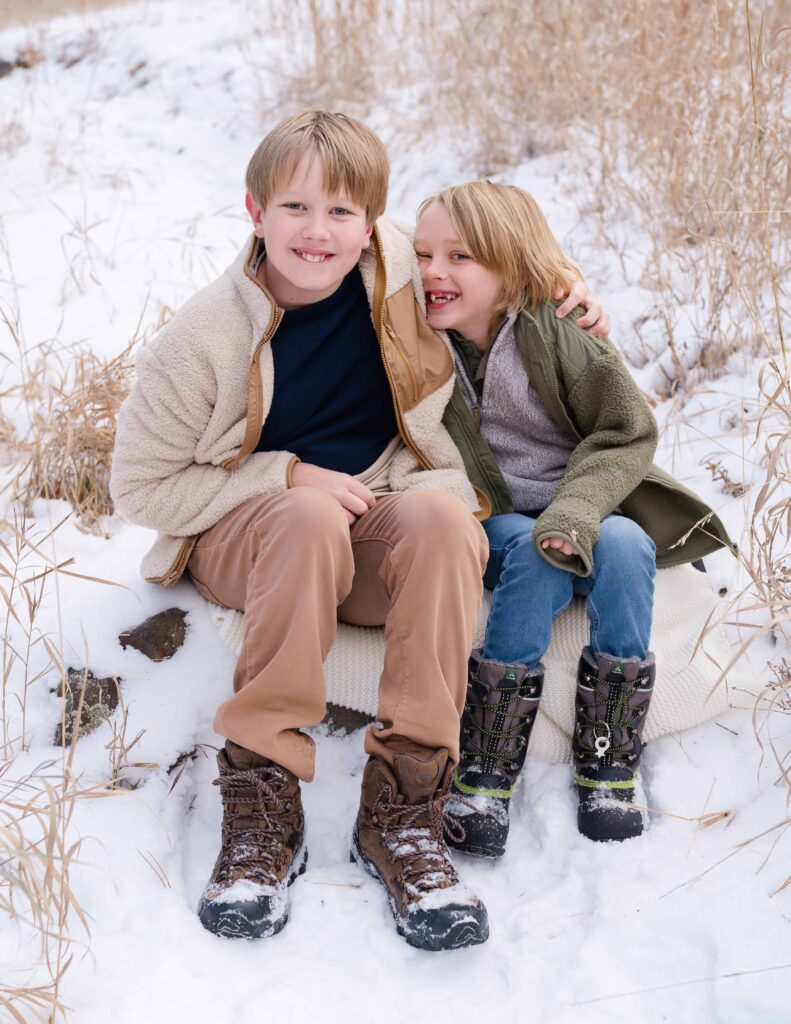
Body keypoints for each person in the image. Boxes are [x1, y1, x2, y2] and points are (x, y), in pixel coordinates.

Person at [110, 111, 608, 950]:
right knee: (306, 514)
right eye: (294, 208)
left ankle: (404, 811)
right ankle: (263, 810)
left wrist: (563, 285)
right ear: (253, 210)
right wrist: (286, 475)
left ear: (372, 221)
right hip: (251, 533)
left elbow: (494, 255)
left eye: (341, 212)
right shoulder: (203, 338)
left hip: (372, 514)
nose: (317, 232)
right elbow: (138, 486)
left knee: (445, 521)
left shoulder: (401, 265)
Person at [413, 181, 735, 853]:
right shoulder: (416, 343)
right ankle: (488, 766)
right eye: (422, 255)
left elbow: (624, 431)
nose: (433, 272)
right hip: (495, 518)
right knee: (532, 550)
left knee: (624, 545)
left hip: (588, 505)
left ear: (511, 271)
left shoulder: (561, 334)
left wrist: (578, 512)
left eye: (459, 257)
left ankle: (609, 755)